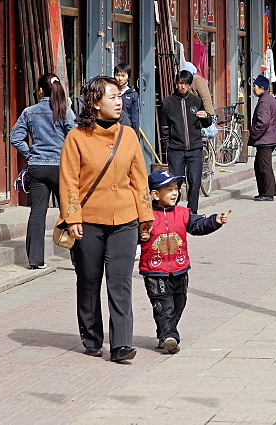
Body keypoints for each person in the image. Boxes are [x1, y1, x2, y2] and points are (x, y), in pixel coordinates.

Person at [59, 76, 153, 362]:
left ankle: (122, 343)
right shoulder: (77, 138)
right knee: (89, 281)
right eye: (111, 97)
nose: (118, 101)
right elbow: (68, 181)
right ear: (95, 103)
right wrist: (72, 216)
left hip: (124, 219)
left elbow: (139, 180)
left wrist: (145, 216)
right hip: (88, 221)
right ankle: (91, 337)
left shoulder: (129, 135)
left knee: (120, 281)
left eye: (118, 96)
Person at [139, 170, 230, 354]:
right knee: (164, 306)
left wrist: (215, 221)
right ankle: (171, 337)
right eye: (169, 189)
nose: (174, 193)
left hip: (180, 268)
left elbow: (198, 226)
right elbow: (131, 237)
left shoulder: (183, 213)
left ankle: (164, 334)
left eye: (176, 189)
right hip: (155, 270)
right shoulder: (145, 216)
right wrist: (140, 234)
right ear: (155, 194)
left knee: (178, 303)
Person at [10, 73, 76, 269]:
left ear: (40, 91)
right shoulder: (65, 110)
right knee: (69, 212)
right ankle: (77, 259)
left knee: (37, 213)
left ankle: (35, 260)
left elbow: (15, 138)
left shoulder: (29, 112)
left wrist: (30, 154)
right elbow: (75, 137)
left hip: (37, 167)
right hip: (61, 168)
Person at [158, 70, 212, 214]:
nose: (183, 87)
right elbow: (164, 127)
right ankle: (172, 212)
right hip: (176, 149)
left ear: (189, 85)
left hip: (195, 149)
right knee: (175, 183)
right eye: (181, 83)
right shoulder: (167, 103)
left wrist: (206, 117)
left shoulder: (196, 101)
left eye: (186, 84)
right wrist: (167, 146)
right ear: (176, 83)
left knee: (195, 182)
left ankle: (192, 213)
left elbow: (206, 123)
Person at [249, 75, 276, 201]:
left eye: (255, 87)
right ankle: (263, 192)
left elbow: (263, 122)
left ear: (262, 88)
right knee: (260, 165)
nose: (253, 89)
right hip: (269, 138)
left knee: (264, 167)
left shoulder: (264, 101)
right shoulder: (270, 99)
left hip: (265, 140)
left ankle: (268, 193)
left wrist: (254, 134)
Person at [114, 63, 140, 134]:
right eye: (117, 75)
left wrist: (135, 133)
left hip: (126, 128)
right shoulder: (111, 91)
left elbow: (135, 116)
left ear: (128, 77)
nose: (120, 79)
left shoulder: (133, 94)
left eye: (123, 76)